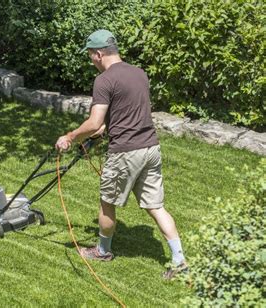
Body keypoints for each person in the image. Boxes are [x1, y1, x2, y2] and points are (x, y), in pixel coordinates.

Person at [55, 29, 187, 279]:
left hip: (125, 152)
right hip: (151, 148)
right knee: (156, 206)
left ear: (98, 53)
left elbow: (94, 123)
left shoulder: (104, 80)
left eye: (90, 56)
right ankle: (179, 259)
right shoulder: (139, 73)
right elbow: (130, 110)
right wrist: (109, 126)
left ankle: (103, 251)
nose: (91, 61)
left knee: (107, 203)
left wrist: (70, 136)